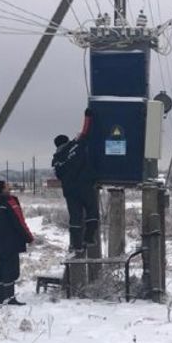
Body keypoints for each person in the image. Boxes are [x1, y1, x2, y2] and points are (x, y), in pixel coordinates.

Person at [52, 108, 99, 256]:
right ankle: (89, 238)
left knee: (75, 217)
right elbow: (86, 132)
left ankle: (76, 245)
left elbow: (58, 176)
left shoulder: (56, 159)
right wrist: (88, 116)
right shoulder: (75, 146)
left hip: (70, 191)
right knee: (92, 212)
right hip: (85, 186)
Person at [0, 180, 33, 306]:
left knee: (1, 267)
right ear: (2, 189)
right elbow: (19, 222)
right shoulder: (10, 202)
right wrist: (29, 237)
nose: (9, 186)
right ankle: (9, 297)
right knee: (11, 269)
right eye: (7, 185)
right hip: (12, 241)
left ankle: (0, 296)